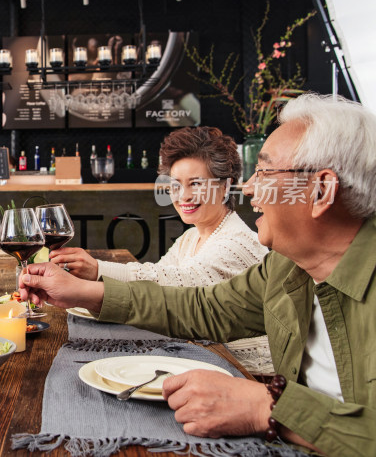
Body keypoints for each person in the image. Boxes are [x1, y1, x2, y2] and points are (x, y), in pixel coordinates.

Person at [20, 94, 376, 455]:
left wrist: (268, 409)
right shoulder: (287, 266)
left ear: (321, 190)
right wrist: (84, 293)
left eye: (265, 171)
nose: (249, 187)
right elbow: (205, 308)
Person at [51, 127, 271, 373]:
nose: (184, 196)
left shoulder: (235, 242)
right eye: (175, 186)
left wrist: (98, 270)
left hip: (249, 377)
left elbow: (176, 285)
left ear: (225, 186)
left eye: (196, 184)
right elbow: (157, 274)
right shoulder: (192, 237)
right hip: (204, 360)